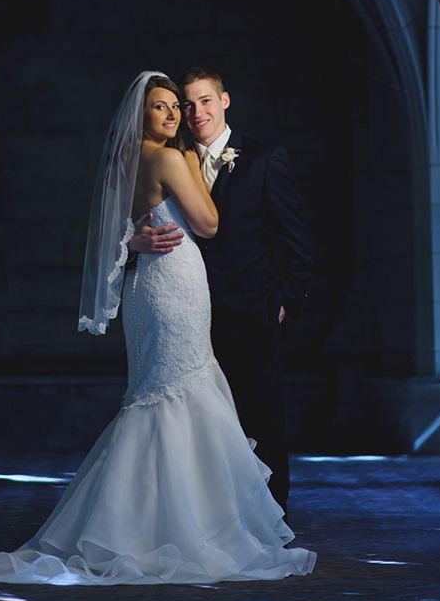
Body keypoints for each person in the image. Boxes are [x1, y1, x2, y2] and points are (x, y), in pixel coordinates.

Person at [0, 70, 316, 585]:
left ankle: (142, 522)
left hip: (157, 291)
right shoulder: (169, 156)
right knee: (183, 400)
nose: (177, 113)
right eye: (163, 106)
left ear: (221, 102)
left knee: (162, 400)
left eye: (179, 105)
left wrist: (133, 243)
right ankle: (192, 529)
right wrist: (188, 169)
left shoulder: (131, 158)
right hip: (176, 291)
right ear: (142, 114)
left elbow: (123, 228)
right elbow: (211, 224)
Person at [129, 68, 312, 514]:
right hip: (184, 311)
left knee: (260, 419)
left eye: (203, 101)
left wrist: (284, 302)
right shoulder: (168, 155)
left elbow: (297, 240)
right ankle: (207, 517)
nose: (194, 112)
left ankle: (271, 519)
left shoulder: (265, 159)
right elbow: (129, 225)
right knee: (201, 421)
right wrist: (133, 242)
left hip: (250, 312)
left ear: (224, 101)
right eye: (185, 104)